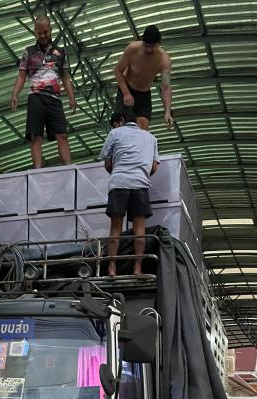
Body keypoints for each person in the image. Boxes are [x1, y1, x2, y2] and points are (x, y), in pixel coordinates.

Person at [100, 106, 160, 277]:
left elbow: (107, 162)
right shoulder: (151, 138)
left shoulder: (115, 133)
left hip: (119, 183)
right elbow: (154, 167)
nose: (114, 128)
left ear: (121, 121)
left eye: (115, 124)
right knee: (139, 229)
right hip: (140, 184)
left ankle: (112, 267)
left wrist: (117, 172)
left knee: (115, 228)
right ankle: (137, 268)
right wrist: (141, 174)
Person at [10, 16, 76, 168]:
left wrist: (71, 97)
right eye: (40, 33)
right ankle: (37, 170)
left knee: (62, 135)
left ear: (51, 30)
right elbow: (21, 75)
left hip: (55, 99)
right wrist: (15, 95)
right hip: (36, 98)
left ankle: (68, 167)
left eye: (46, 32)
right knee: (36, 136)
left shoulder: (60, 53)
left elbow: (66, 77)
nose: (43, 35)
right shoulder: (28, 52)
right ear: (35, 32)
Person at [114, 25, 173, 130]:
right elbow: (118, 71)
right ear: (142, 41)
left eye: (152, 46)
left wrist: (168, 111)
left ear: (158, 44)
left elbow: (166, 87)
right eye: (146, 45)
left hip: (144, 95)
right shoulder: (132, 49)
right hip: (127, 89)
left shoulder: (164, 60)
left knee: (143, 128)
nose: (149, 49)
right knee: (123, 125)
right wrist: (126, 93)